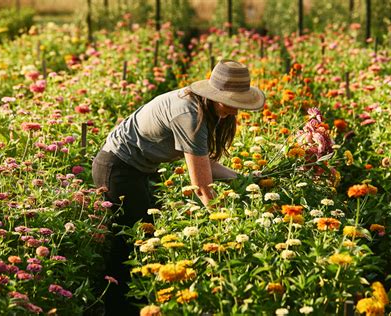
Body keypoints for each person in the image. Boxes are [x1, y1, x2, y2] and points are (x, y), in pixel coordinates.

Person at [92, 59, 265, 315]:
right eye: (233, 103)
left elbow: (205, 164)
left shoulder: (203, 108)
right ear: (216, 96)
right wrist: (223, 222)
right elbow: (202, 186)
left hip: (137, 170)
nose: (237, 111)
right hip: (117, 168)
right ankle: (117, 308)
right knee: (130, 243)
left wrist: (243, 179)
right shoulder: (189, 115)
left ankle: (131, 303)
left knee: (142, 237)